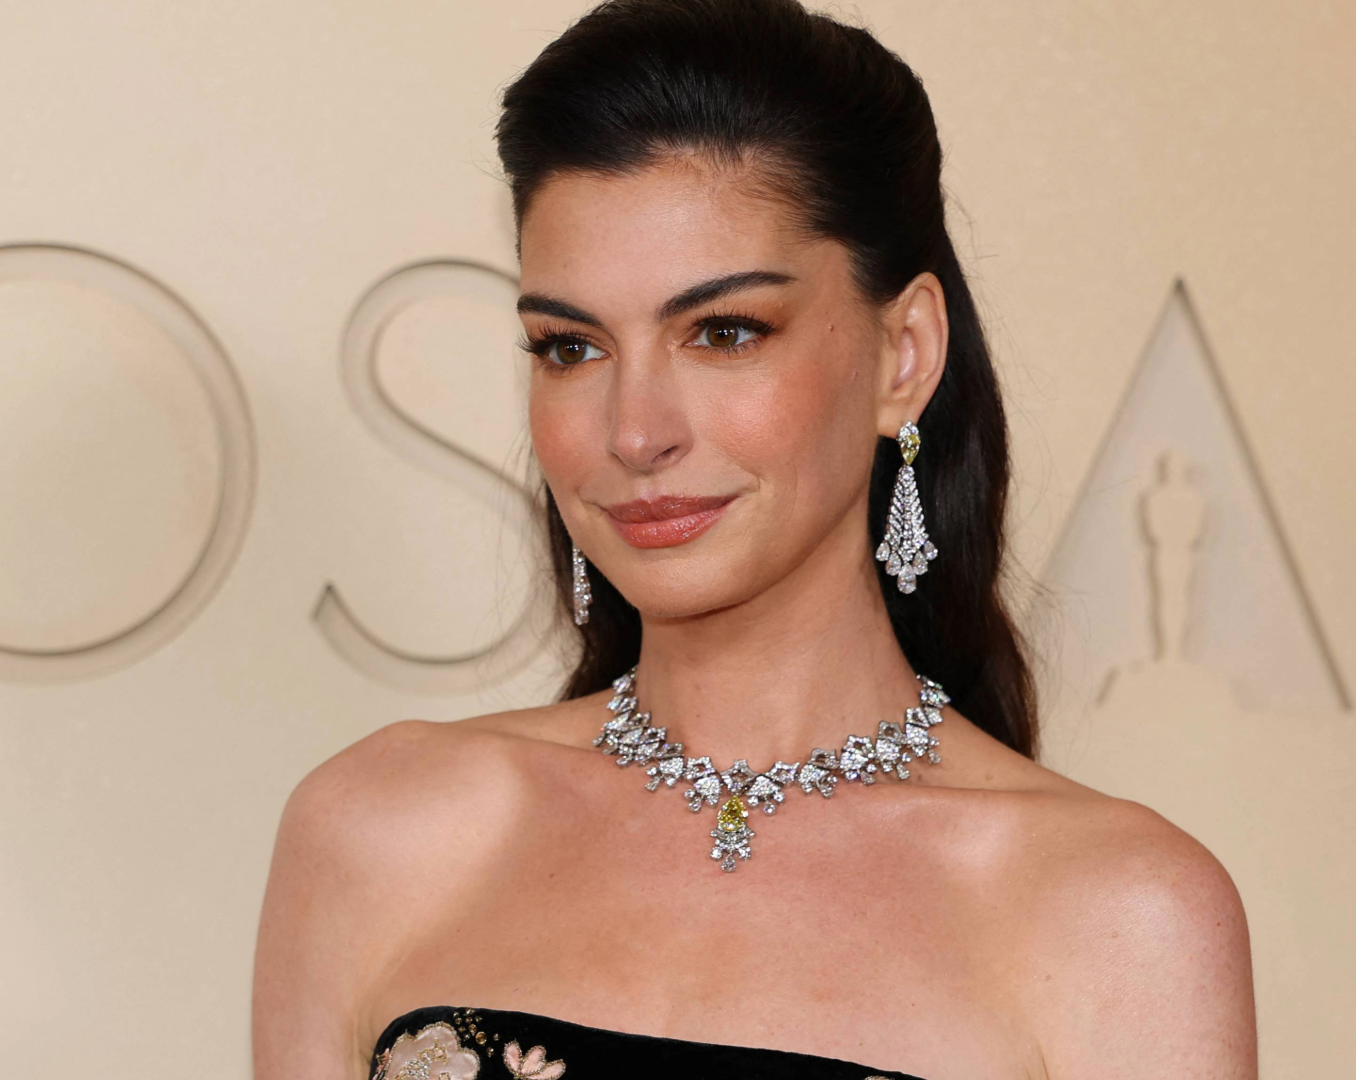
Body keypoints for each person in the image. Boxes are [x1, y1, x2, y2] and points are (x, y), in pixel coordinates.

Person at [252, 0, 1257, 1076]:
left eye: (724, 332)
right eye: (570, 347)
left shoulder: (1119, 915)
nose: (634, 433)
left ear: (905, 355)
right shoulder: (378, 834)